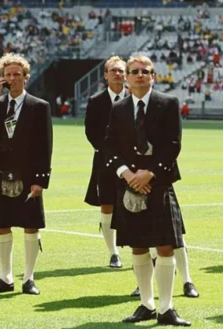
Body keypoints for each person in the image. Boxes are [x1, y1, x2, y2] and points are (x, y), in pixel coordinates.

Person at [105, 55, 192, 325]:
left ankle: (166, 308)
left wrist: (149, 172)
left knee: (165, 246)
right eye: (134, 71)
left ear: (153, 76)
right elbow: (109, 146)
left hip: (159, 182)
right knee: (138, 246)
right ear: (127, 78)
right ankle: (146, 304)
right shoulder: (118, 108)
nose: (140, 75)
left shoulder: (167, 103)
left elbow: (173, 144)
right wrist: (127, 173)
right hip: (129, 184)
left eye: (145, 71)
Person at [0, 53, 53, 296]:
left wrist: (40, 180)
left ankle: (28, 278)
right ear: (2, 79)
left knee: (30, 226)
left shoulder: (39, 106)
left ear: (26, 77)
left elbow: (45, 146)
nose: (13, 78)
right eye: (8, 75)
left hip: (28, 175)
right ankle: (5, 278)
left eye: (17, 74)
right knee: (2, 225)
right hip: (1, 172)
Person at [84, 55, 127, 268]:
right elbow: (91, 132)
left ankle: (143, 251)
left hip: (133, 163)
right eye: (113, 70)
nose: (117, 74)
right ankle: (113, 253)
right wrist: (110, 153)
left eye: (121, 70)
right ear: (106, 75)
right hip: (105, 161)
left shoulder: (136, 98)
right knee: (107, 205)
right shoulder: (95, 101)